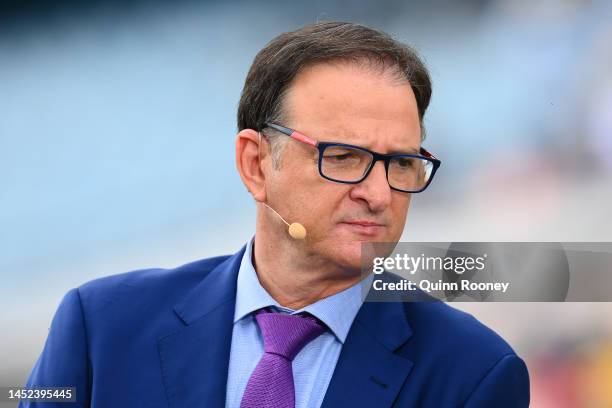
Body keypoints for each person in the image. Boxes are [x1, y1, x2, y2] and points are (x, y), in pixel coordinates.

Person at [21, 22, 529, 408]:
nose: (378, 193)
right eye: (344, 157)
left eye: (401, 163)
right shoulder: (99, 327)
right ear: (255, 164)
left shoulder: (474, 372)